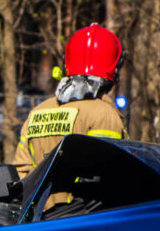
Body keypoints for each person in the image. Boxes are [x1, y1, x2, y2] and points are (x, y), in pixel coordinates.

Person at [11, 24, 127, 177]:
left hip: (37, 202)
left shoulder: (37, 112)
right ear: (115, 68)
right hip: (86, 201)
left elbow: (20, 173)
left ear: (67, 61)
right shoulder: (104, 115)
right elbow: (108, 175)